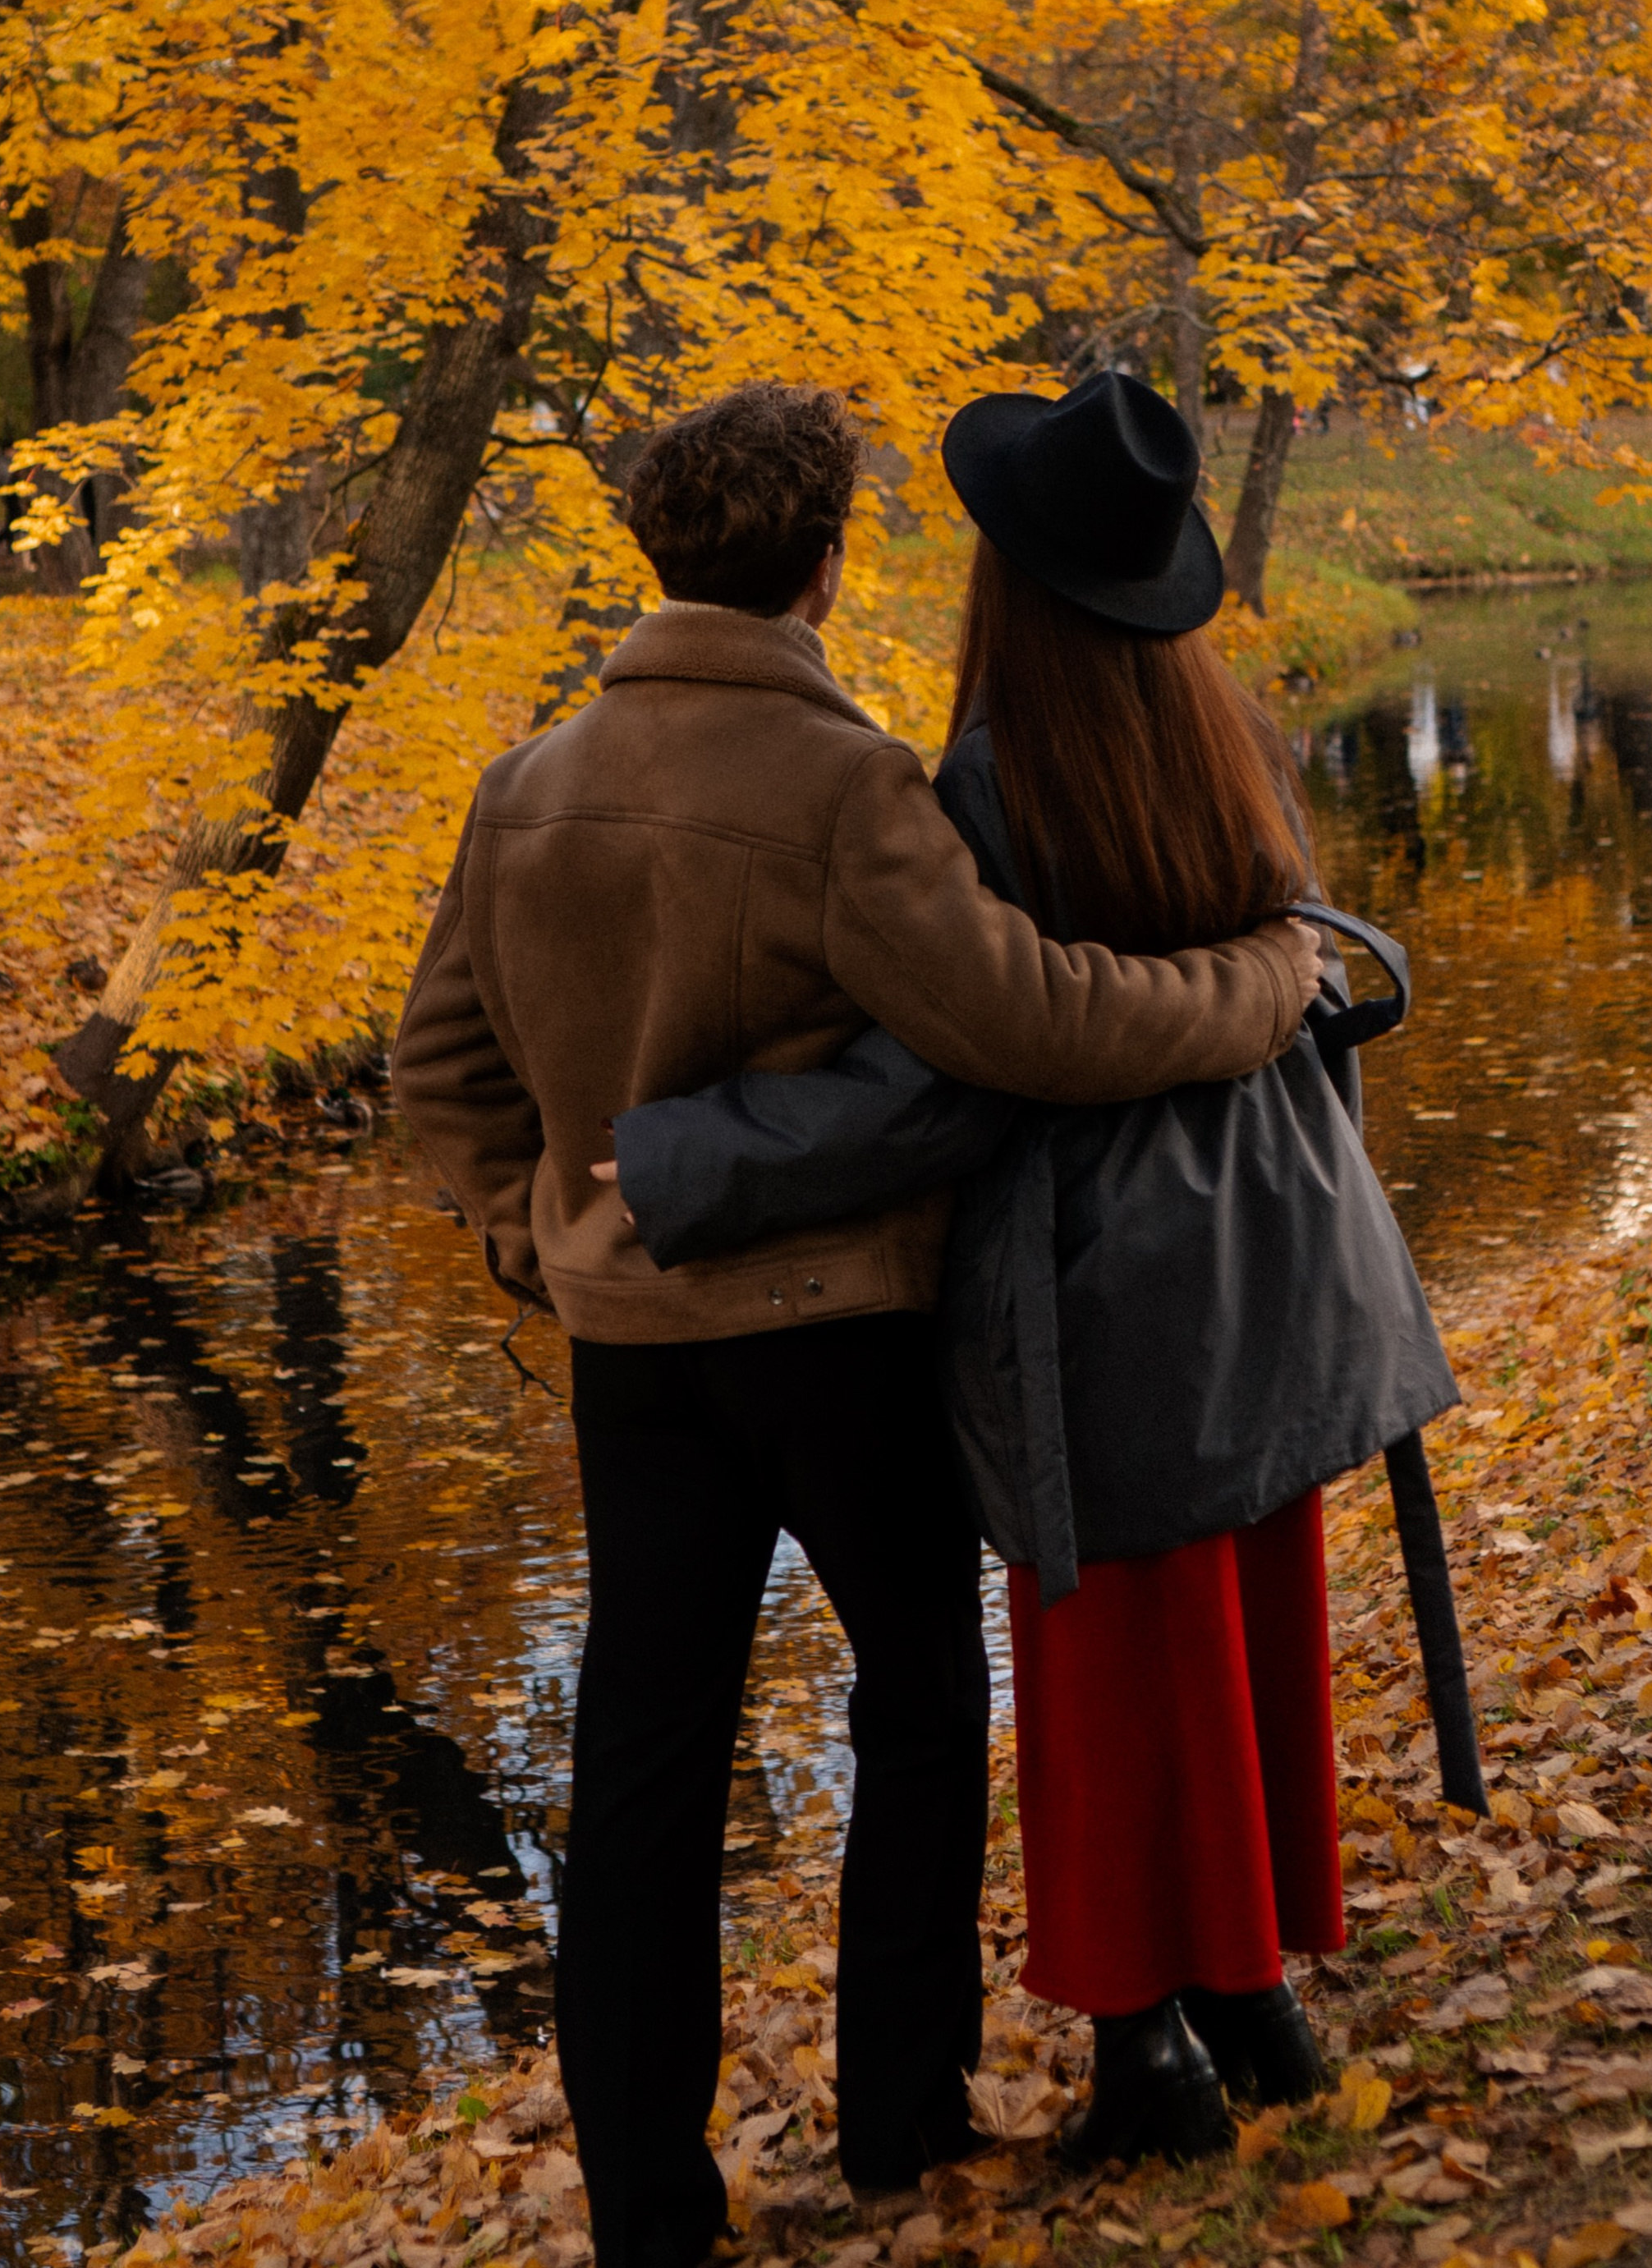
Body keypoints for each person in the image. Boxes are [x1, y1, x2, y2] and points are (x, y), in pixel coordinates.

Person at [388, 381, 1320, 2268]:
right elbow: (1033, 1022)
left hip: (631, 1354)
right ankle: (900, 2119)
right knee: (915, 1695)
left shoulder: (523, 786)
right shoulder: (847, 790)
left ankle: (651, 2208)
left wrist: (537, 1235)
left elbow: (438, 1071)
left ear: (663, 553)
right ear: (824, 563)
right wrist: (1251, 983)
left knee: (640, 1767)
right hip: (836, 1341)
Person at [606, 374, 1460, 2171]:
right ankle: (1252, 2003)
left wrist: (679, 1162)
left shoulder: (991, 781)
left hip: (1098, 1289)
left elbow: (945, 1084)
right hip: (1269, 1258)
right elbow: (1272, 963)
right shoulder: (1221, 726)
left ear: (1006, 576)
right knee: (1234, 1633)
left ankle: (1147, 2043)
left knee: (1109, 1667)